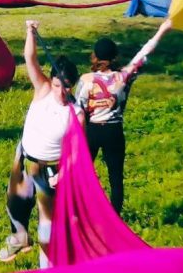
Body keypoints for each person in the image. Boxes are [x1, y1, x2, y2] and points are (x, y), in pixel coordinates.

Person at [0, 20, 79, 269]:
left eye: (66, 88)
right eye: (57, 85)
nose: (61, 93)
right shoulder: (42, 89)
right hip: (24, 159)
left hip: (49, 171)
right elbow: (30, 59)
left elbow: (77, 151)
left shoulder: (75, 112)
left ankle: (48, 268)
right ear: (51, 80)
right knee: (15, 203)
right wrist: (30, 32)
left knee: (47, 223)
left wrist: (63, 173)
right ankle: (20, 238)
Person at [74, 19, 173, 215]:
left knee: (82, 174)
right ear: (114, 57)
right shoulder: (124, 77)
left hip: (92, 130)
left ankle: (78, 211)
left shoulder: (86, 79)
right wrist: (162, 29)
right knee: (116, 177)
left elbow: (79, 107)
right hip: (114, 131)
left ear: (95, 56)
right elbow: (143, 54)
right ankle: (115, 218)